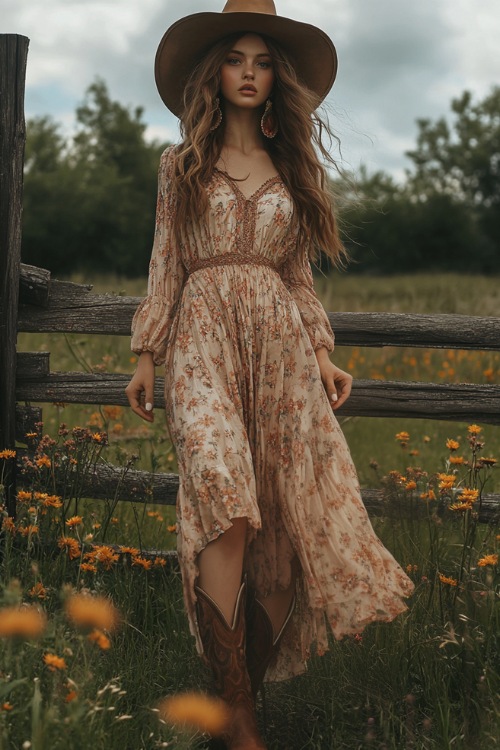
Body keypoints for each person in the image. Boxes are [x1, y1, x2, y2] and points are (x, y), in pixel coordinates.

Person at [126, 2, 414, 748]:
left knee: (279, 534)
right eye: (235, 59)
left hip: (282, 353)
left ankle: (227, 706)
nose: (249, 73)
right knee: (226, 500)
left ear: (274, 75)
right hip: (202, 345)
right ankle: (244, 723)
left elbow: (298, 278)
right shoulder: (180, 164)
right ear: (213, 72)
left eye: (261, 61)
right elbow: (165, 265)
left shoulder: (293, 165)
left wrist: (322, 355)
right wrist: (146, 353)